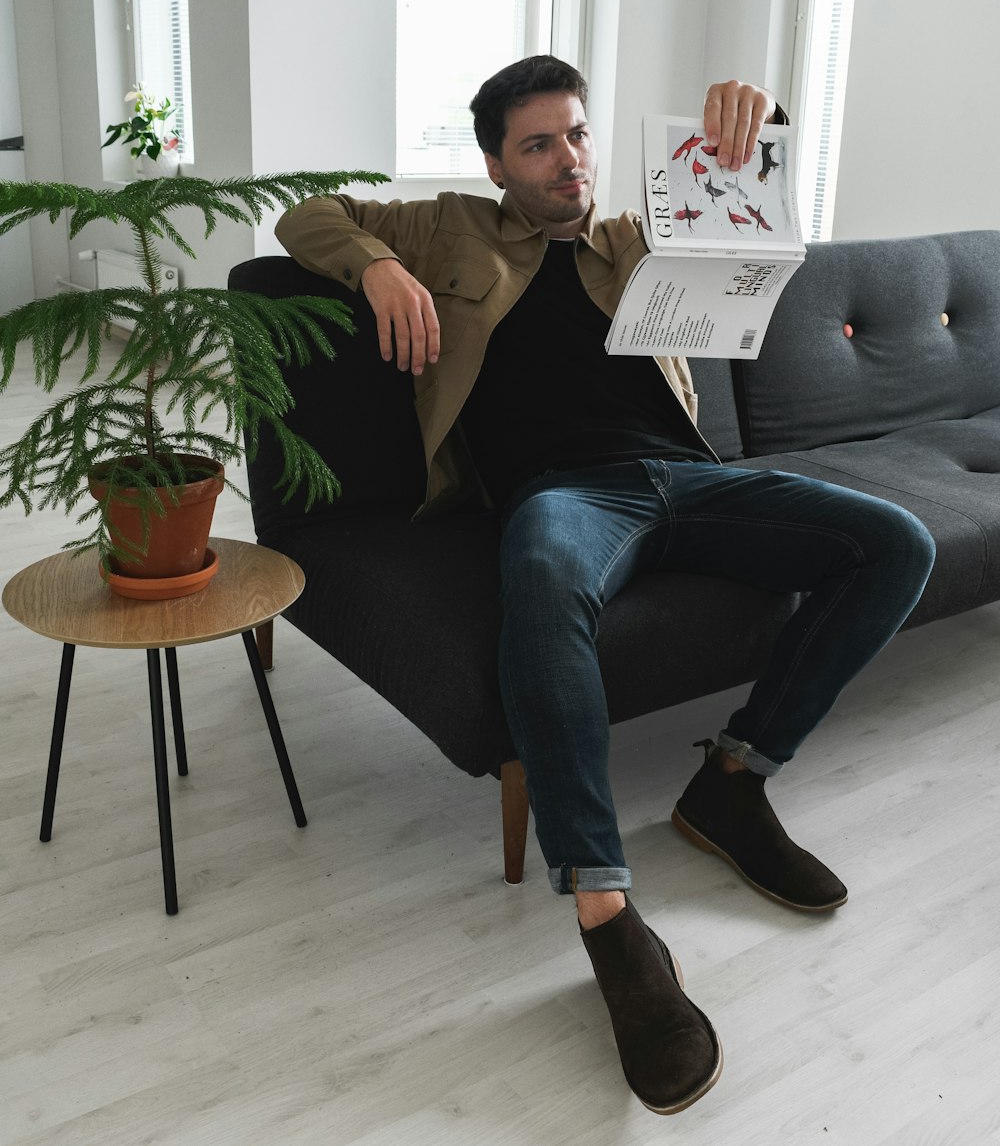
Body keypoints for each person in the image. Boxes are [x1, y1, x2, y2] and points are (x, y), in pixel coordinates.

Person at [275, 56, 936, 1115]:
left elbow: (753, 243)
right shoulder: (448, 229)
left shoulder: (637, 237)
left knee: (898, 541)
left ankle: (733, 776)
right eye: (538, 144)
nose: (568, 159)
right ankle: (604, 909)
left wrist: (756, 129)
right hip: (562, 495)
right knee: (538, 587)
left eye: (577, 135)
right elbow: (303, 217)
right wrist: (374, 268)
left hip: (687, 478)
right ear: (496, 160)